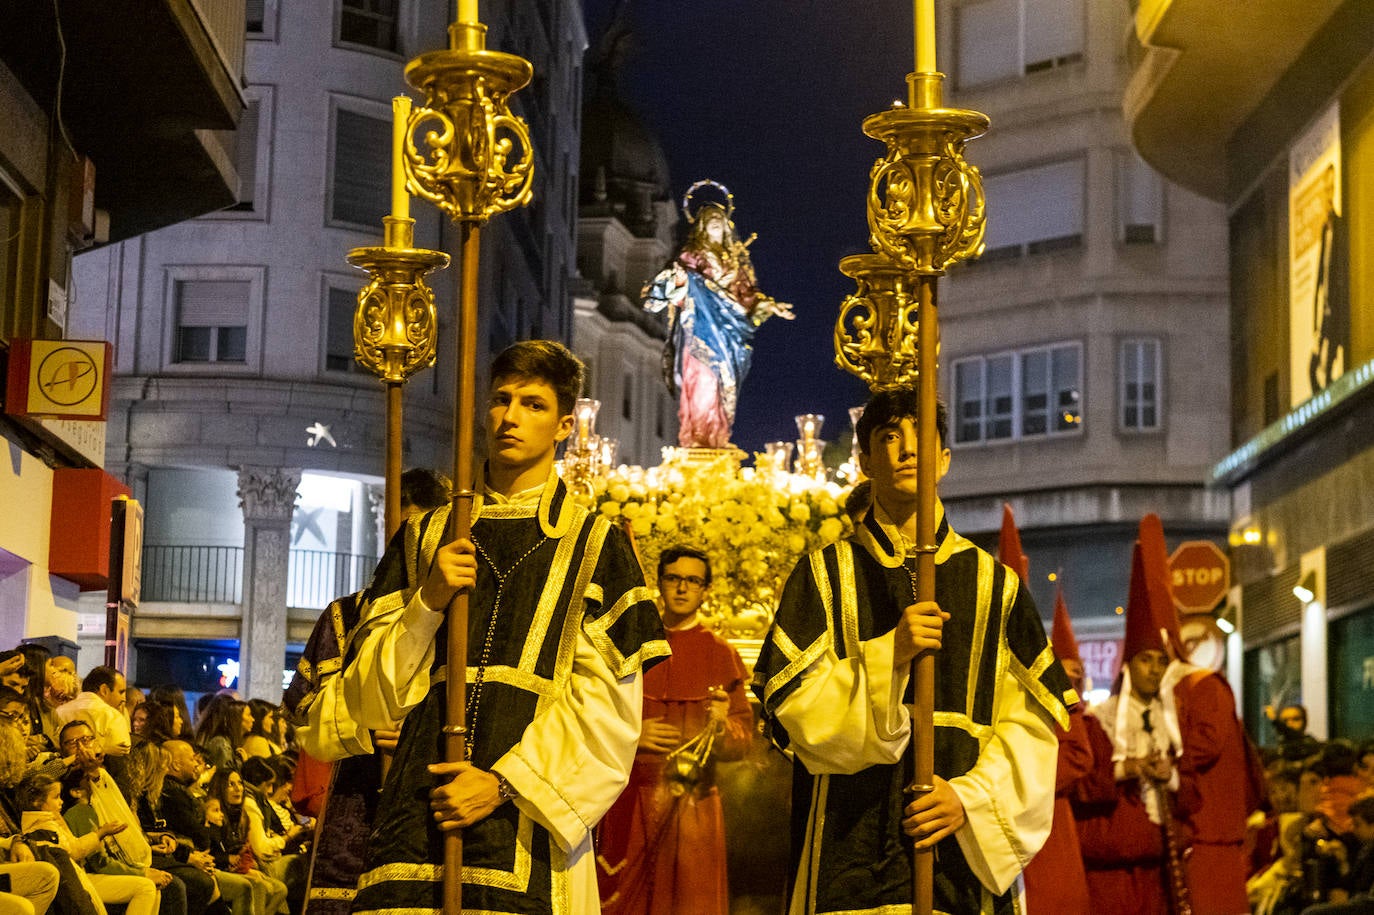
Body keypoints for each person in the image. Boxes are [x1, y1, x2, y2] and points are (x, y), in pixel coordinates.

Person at [299, 340, 671, 914]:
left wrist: (499, 785)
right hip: (411, 828)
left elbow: (609, 714)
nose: (511, 417)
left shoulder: (595, 545)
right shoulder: (426, 538)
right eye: (500, 400)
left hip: (529, 826)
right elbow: (369, 701)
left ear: (565, 425)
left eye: (533, 404)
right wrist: (428, 601)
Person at [752, 388, 1076, 915]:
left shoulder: (996, 586)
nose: (906, 451)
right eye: (888, 438)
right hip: (848, 846)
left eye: (921, 439)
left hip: (956, 851)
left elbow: (1032, 729)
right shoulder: (825, 575)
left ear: (944, 460)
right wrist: (890, 656)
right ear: (863, 461)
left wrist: (970, 798)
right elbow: (795, 715)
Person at [595, 545, 753, 915]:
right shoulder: (633, 645)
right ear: (660, 584)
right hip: (628, 804)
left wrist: (720, 727)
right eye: (673, 578)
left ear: (705, 590)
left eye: (693, 580)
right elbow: (596, 719)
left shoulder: (720, 653)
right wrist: (632, 737)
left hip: (693, 809)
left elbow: (742, 742)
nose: (682, 588)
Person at [643, 185, 793, 448]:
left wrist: (769, 306)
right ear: (701, 226)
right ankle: (698, 438)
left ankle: (718, 437)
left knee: (723, 385)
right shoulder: (691, 257)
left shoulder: (733, 261)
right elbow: (677, 283)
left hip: (728, 333)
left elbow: (747, 295)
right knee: (702, 382)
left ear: (726, 226)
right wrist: (681, 280)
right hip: (699, 329)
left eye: (719, 221)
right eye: (710, 220)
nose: (715, 224)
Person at [54, 668, 130, 760]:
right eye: (121, 692)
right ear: (104, 690)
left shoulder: (59, 712)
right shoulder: (113, 716)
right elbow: (122, 757)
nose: (124, 699)